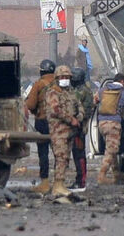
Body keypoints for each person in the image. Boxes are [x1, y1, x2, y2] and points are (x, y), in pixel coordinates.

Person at [40, 65, 84, 196]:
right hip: (58, 131)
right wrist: (71, 119)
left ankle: (60, 184)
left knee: (65, 159)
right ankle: (58, 185)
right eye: (62, 77)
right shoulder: (52, 92)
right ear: (57, 78)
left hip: (70, 131)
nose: (65, 79)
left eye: (67, 77)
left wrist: (79, 117)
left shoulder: (71, 92)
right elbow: (55, 110)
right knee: (60, 157)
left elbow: (79, 105)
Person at [23, 59, 57, 194]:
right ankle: (59, 182)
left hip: (42, 122)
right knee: (59, 152)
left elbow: (30, 104)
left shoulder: (38, 84)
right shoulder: (59, 84)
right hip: (58, 122)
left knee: (43, 153)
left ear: (41, 71)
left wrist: (35, 110)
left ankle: (45, 182)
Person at [95, 72, 124, 184]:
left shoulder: (102, 90)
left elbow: (95, 101)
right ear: (122, 81)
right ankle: (102, 175)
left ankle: (116, 175)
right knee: (111, 150)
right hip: (114, 124)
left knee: (111, 149)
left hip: (102, 124)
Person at [69, 66, 94, 189]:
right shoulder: (85, 89)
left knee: (79, 154)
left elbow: (74, 105)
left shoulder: (81, 91)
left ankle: (81, 180)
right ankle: (80, 179)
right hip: (80, 126)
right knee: (77, 153)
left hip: (79, 127)